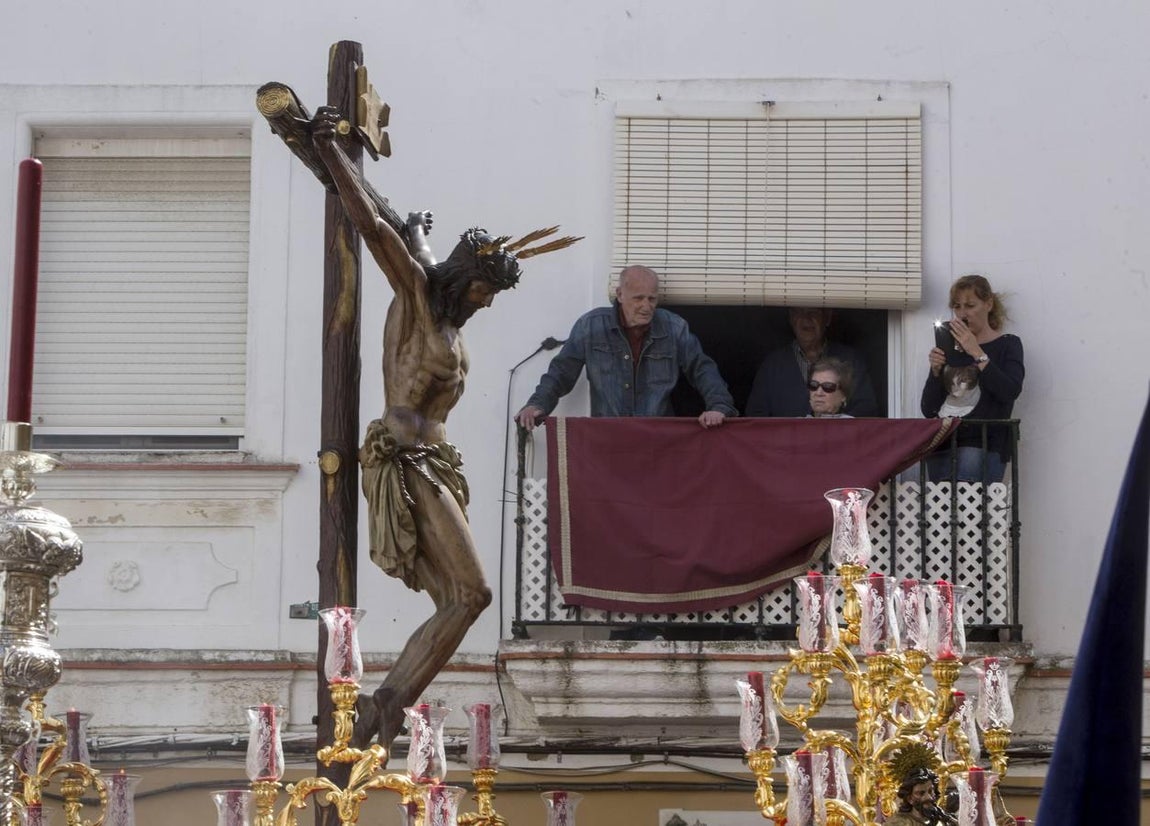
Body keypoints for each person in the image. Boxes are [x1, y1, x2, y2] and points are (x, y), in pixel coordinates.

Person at [312, 107, 579, 747]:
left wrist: (418, 227)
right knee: (474, 592)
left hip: (435, 464)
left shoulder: (452, 320)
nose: (486, 301)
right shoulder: (415, 301)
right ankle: (386, 704)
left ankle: (384, 707)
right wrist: (330, 152)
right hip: (403, 460)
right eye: (483, 288)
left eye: (492, 293)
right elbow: (377, 230)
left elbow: (415, 239)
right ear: (464, 279)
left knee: (463, 599)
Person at [515, 265, 737, 429]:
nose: (646, 306)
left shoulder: (675, 327)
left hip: (659, 441)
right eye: (638, 298)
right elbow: (561, 373)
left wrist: (718, 406)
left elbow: (702, 369)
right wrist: (538, 404)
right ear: (620, 295)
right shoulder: (590, 326)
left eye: (651, 299)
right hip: (607, 439)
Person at [920, 275, 1024, 482]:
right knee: (939, 513)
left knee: (970, 513)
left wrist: (977, 352)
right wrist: (935, 371)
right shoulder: (950, 348)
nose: (962, 313)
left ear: (988, 304)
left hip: (983, 443)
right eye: (957, 307)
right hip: (942, 444)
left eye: (970, 305)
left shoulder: (1008, 344)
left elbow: (1010, 391)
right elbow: (929, 409)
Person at [745, 307, 879, 417]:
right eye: (799, 312)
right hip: (786, 447)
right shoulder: (772, 365)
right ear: (791, 319)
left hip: (838, 445)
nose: (806, 319)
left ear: (827, 318)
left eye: (813, 312)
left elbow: (866, 410)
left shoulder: (850, 360)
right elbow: (755, 417)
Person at [886, 767, 957, 826]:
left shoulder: (941, 819)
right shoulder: (899, 823)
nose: (928, 797)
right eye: (921, 793)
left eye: (930, 791)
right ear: (910, 798)